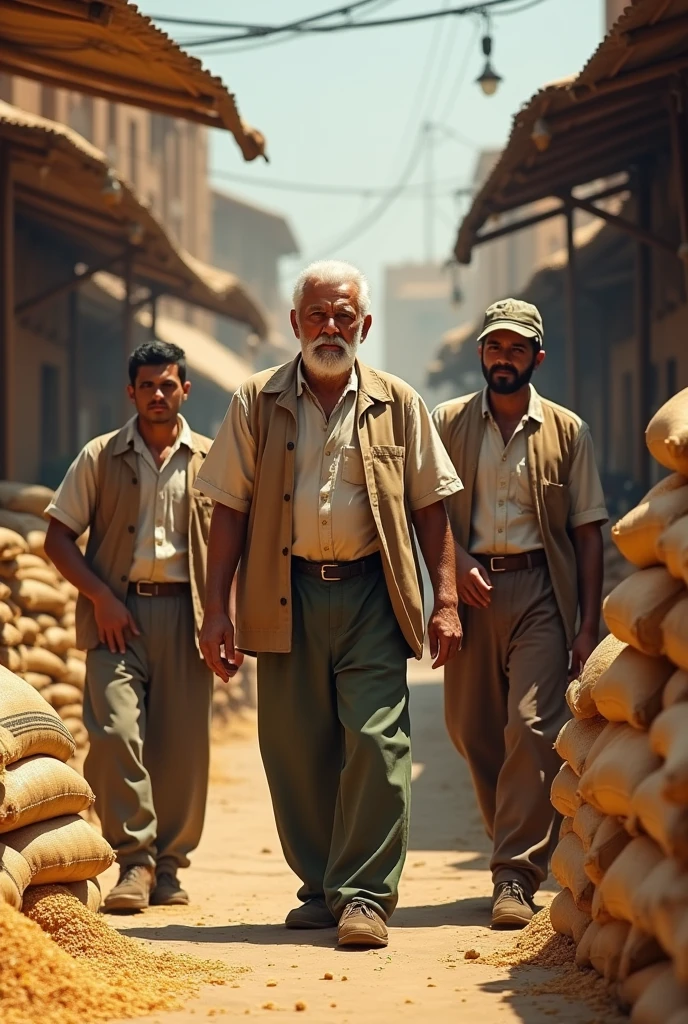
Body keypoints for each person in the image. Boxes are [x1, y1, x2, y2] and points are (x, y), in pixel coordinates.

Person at [195, 259, 463, 949]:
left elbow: (432, 508)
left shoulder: (399, 402)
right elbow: (227, 507)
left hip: (373, 594)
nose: (331, 326)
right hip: (285, 595)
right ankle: (322, 887)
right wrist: (216, 610)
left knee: (376, 741)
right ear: (294, 323)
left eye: (345, 315)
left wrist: (446, 600)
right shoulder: (256, 400)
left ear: (365, 325)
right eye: (318, 314)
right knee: (294, 747)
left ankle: (366, 896)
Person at [432, 298, 607, 929]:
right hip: (470, 595)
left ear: (537, 356)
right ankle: (515, 841)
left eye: (516, 348)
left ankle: (514, 872)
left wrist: (586, 626)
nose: (503, 358)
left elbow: (588, 532)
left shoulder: (568, 430)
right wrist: (454, 570)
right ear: (482, 354)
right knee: (473, 730)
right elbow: (425, 512)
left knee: (531, 728)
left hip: (540, 591)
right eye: (494, 346)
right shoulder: (446, 423)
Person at [44, 340, 220, 912]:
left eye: (168, 385)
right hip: (116, 617)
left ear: (184, 389)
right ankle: (134, 861)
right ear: (131, 392)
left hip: (188, 618)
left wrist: (225, 615)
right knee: (116, 734)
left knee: (183, 750)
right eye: (147, 386)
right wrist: (101, 597)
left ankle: (170, 866)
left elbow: (233, 547)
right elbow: (57, 538)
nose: (158, 395)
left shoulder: (211, 461)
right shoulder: (99, 456)